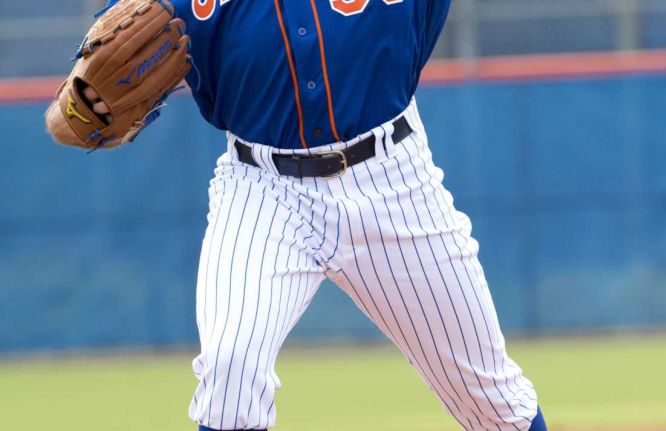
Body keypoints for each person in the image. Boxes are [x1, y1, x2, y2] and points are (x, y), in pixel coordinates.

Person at [45, 1, 548, 430]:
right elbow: (96, 80)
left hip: (393, 179)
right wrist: (73, 110)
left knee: (492, 401)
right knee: (230, 369)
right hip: (261, 188)